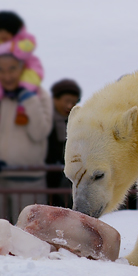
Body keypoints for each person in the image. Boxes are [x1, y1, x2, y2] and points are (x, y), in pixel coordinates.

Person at [0, 53, 52, 223]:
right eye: (1, 70)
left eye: (12, 69)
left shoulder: (39, 95)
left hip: (30, 180)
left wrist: (29, 101)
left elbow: (39, 133)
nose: (7, 76)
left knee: (31, 234)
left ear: (22, 69)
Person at [0, 11, 44, 129]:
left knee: (28, 82)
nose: (3, 34)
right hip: (2, 69)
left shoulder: (23, 40)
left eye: (7, 31)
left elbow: (27, 48)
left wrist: (7, 47)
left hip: (27, 67)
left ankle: (23, 108)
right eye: (0, 31)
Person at [46, 78, 81, 207]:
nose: (69, 106)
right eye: (66, 101)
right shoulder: (45, 120)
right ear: (55, 99)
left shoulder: (76, 122)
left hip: (65, 179)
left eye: (73, 102)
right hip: (47, 179)